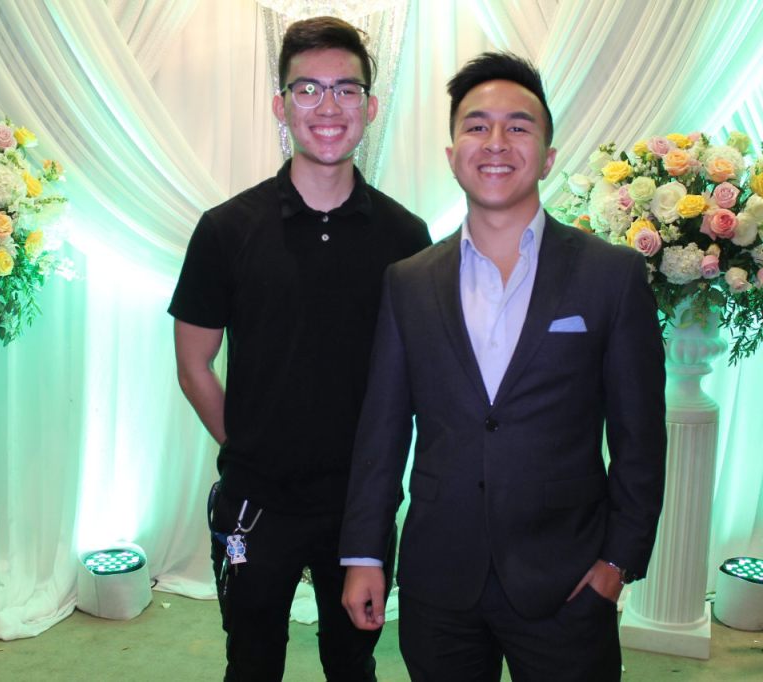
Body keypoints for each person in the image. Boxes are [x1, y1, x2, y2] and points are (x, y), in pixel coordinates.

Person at [339, 52, 666, 681]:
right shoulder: (408, 282)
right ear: (452, 153)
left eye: (518, 127)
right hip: (439, 580)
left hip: (569, 579)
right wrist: (364, 555)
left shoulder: (611, 276)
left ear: (547, 156)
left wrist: (616, 564)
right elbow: (381, 432)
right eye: (476, 125)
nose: (495, 142)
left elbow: (640, 437)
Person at [169, 16, 430, 682]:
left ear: (371, 106)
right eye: (308, 89)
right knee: (251, 662)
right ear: (280, 105)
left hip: (361, 505)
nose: (328, 106)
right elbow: (194, 364)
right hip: (257, 501)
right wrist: (249, 446)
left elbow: (419, 376)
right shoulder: (227, 229)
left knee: (353, 664)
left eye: (346, 89)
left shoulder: (406, 236)